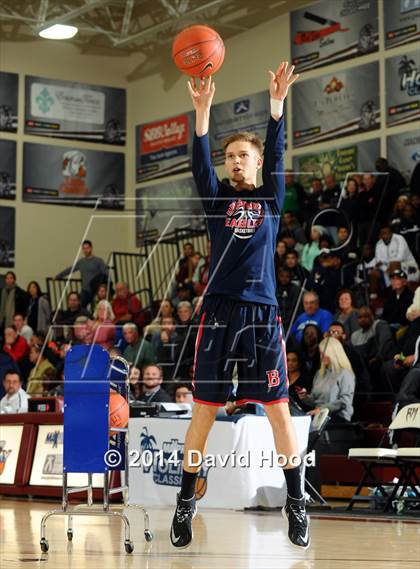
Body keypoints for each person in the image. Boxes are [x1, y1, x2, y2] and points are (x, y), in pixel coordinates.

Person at [170, 63, 310, 550]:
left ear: (255, 162)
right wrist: (202, 112)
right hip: (219, 314)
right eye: (230, 156)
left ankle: (296, 501)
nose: (234, 161)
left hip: (261, 315)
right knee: (204, 412)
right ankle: (187, 502)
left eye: (242, 155)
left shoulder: (271, 197)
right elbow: (198, 165)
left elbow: (278, 151)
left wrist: (277, 107)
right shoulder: (216, 200)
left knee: (278, 412)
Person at [297, 337, 355, 423]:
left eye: (324, 353)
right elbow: (315, 400)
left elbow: (344, 402)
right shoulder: (320, 374)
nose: (321, 357)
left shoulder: (345, 374)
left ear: (333, 354)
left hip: (338, 418)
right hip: (320, 416)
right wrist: (305, 397)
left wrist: (321, 409)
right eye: (320, 353)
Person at [350, 306, 395, 392]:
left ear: (372, 316)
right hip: (362, 365)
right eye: (360, 317)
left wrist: (377, 358)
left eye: (366, 316)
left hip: (380, 359)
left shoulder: (380, 325)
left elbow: (385, 343)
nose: (363, 319)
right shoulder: (354, 335)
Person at [56, 240, 108, 308]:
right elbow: (71, 269)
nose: (86, 250)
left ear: (91, 248)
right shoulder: (81, 262)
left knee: (96, 308)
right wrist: (58, 276)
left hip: (95, 290)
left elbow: (105, 273)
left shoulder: (98, 261)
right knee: (80, 307)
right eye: (84, 248)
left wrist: (103, 287)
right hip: (85, 290)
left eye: (87, 248)